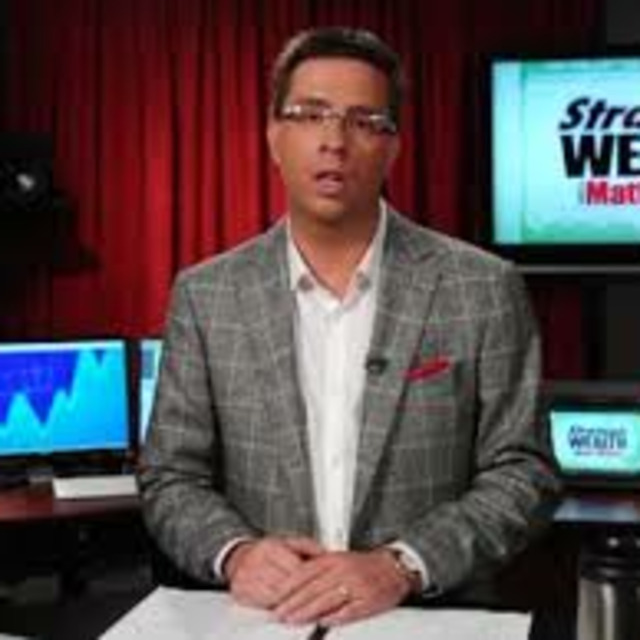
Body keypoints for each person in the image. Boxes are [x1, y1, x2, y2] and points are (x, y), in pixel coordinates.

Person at [139, 26, 559, 627]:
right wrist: (236, 553)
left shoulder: (482, 287)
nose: (334, 141)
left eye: (364, 121)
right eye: (310, 115)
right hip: (267, 619)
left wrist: (403, 564)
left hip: (428, 617)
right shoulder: (207, 295)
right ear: (274, 137)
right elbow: (170, 476)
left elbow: (525, 472)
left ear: (393, 147)